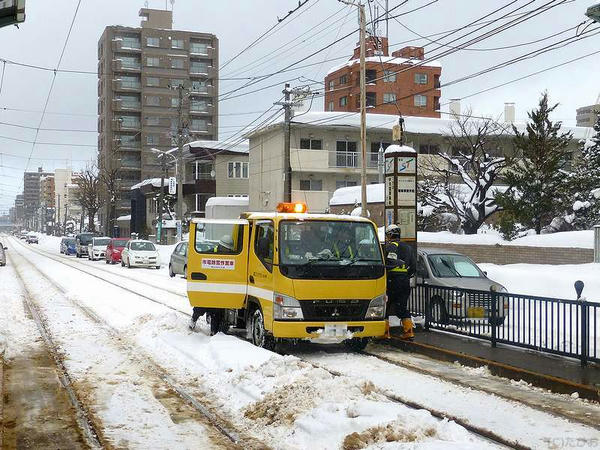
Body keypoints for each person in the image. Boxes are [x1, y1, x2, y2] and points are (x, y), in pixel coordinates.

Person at [384, 224, 416, 340]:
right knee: (402, 308)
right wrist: (406, 275)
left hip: (392, 281)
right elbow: (414, 266)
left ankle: (384, 332)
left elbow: (388, 263)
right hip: (404, 281)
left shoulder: (390, 247)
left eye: (388, 235)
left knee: (385, 307)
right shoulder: (408, 248)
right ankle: (408, 331)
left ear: (390, 235)